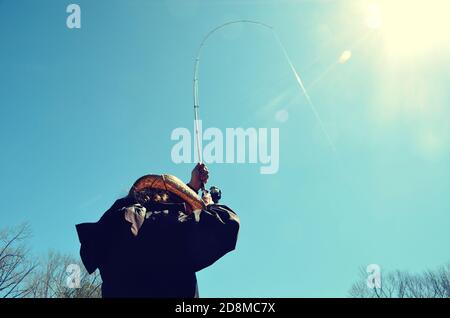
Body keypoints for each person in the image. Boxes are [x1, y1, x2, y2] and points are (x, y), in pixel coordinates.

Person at [75, 164, 240, 298]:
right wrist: (209, 204)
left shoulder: (117, 230)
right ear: (163, 199)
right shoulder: (159, 225)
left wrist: (191, 188)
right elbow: (226, 225)